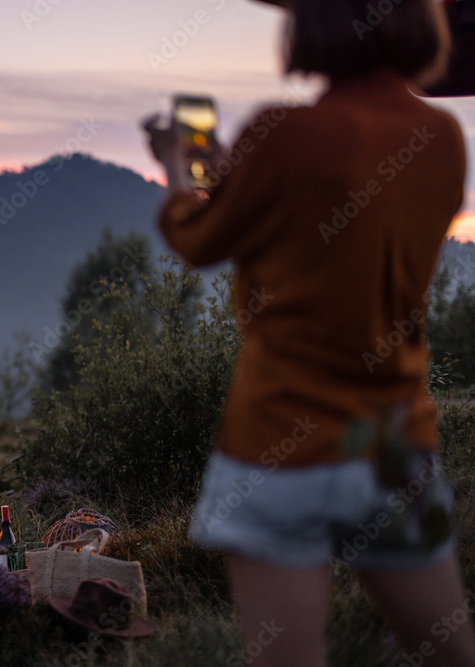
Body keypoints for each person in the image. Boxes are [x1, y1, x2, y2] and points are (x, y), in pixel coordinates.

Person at [144, 1, 475, 665]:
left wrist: (180, 169)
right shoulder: (441, 137)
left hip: (280, 445)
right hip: (392, 442)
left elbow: (199, 238)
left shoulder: (281, 134)